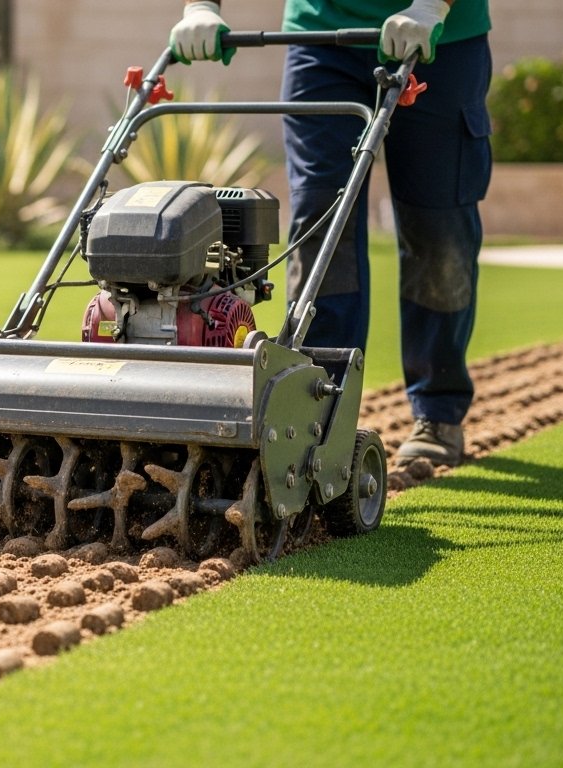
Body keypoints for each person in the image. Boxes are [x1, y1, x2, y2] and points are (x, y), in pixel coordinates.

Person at [170, 0, 492, 467]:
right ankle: (316, 409)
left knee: (439, 232)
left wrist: (430, 5)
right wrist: (201, 7)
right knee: (320, 222)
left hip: (442, 37)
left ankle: (438, 410)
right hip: (322, 38)